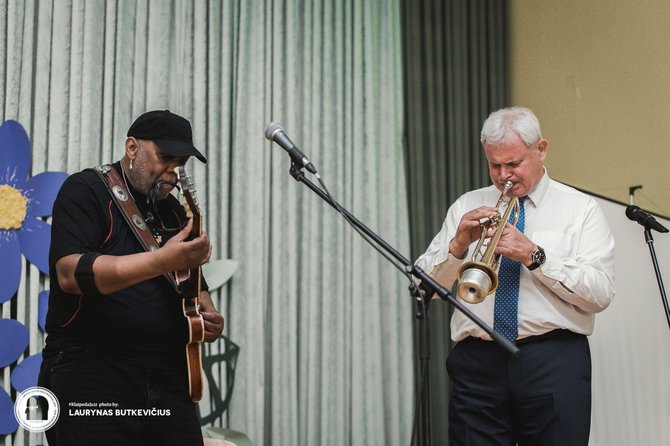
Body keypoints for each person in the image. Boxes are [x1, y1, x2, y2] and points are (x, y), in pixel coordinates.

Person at [415, 106, 615, 446]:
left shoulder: (581, 210)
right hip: (477, 363)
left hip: (551, 358)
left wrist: (534, 256)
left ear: (541, 149)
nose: (503, 175)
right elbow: (423, 289)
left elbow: (600, 293)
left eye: (514, 163)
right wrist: (459, 244)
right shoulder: (467, 205)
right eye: (495, 165)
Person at [39, 110, 224, 446]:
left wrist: (207, 320)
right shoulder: (86, 189)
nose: (173, 171)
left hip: (166, 375)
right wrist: (160, 260)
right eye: (165, 157)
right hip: (92, 369)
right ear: (132, 147)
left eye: (181, 162)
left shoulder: (173, 210)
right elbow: (70, 274)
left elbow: (195, 293)